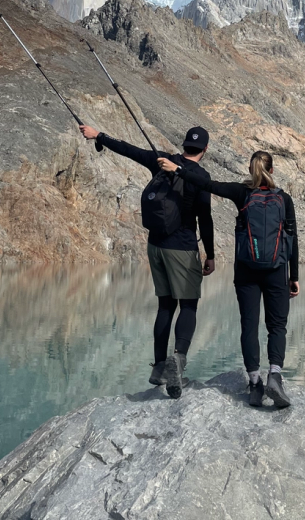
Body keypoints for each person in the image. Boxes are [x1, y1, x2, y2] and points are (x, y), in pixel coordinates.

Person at [78, 123, 215, 399]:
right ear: (205, 150)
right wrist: (210, 254)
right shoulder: (199, 176)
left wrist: (99, 135)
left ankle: (159, 366)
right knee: (188, 305)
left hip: (155, 246)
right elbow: (205, 219)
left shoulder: (163, 161)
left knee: (165, 305)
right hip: (183, 248)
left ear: (184, 144)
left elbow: (130, 151)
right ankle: (178, 359)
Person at [158, 150, 299, 409]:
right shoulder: (283, 198)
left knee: (249, 326)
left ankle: (255, 383)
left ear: (250, 169)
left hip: (246, 271)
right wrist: (294, 276)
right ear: (272, 170)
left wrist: (177, 169)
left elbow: (207, 184)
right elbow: (292, 238)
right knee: (277, 326)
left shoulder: (242, 193)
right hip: (277, 271)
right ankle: (275, 375)